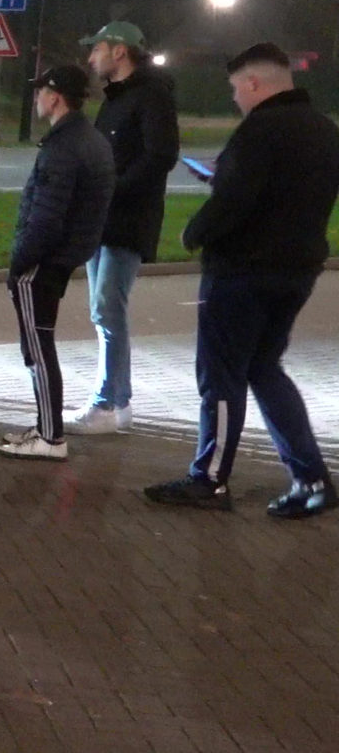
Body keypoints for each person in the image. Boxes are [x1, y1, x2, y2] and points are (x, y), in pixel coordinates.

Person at [143, 43, 339, 518]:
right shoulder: (325, 130)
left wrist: (195, 230)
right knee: (265, 368)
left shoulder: (260, 130)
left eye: (235, 88)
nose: (234, 98)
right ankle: (311, 476)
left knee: (221, 377)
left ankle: (208, 479)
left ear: (254, 83)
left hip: (243, 271)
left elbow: (236, 201)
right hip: (298, 269)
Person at [68, 21, 179, 435]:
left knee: (107, 309)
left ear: (119, 51)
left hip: (128, 220)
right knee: (104, 311)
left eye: (96, 49)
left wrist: (113, 190)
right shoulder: (118, 98)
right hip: (106, 219)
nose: (90, 57)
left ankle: (109, 404)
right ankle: (117, 400)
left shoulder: (150, 95)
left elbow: (161, 154)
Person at [0, 64, 113, 461]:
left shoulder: (63, 147)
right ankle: (47, 427)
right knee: (40, 342)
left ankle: (50, 436)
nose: (35, 99)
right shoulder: (89, 139)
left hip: (43, 263)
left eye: (39, 92)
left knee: (37, 347)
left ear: (56, 96)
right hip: (63, 258)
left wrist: (18, 264)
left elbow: (46, 218)